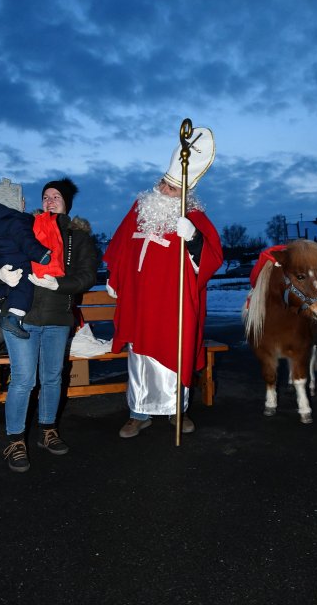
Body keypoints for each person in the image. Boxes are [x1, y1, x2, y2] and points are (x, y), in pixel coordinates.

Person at [104, 127, 223, 438]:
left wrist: (193, 237)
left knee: (174, 352)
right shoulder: (140, 208)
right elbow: (121, 247)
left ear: (185, 193)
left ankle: (176, 412)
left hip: (173, 302)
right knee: (139, 356)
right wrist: (115, 279)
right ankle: (137, 414)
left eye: (173, 187)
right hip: (139, 300)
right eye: (164, 183)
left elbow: (211, 259)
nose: (165, 190)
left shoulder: (193, 217)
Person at [0, 177, 98, 471]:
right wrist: (0, 274)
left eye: (56, 197)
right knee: (24, 380)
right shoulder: (24, 226)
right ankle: (15, 440)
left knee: (52, 378)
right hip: (20, 318)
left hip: (58, 318)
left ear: (66, 204)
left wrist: (58, 283)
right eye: (46, 196)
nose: (50, 200)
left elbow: (88, 276)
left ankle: (47, 431)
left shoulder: (79, 237)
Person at [0, 177, 58, 339]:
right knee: (24, 286)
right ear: (11, 202)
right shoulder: (17, 221)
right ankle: (15, 317)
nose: (24, 204)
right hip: (17, 260)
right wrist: (41, 255)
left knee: (4, 286)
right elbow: (26, 242)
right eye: (21, 200)